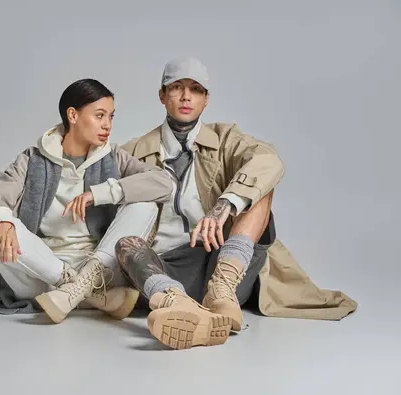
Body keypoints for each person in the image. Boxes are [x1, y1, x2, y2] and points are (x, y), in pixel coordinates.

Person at [115, 57, 358, 350]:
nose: (185, 96)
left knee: (260, 190)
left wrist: (225, 206)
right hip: (160, 269)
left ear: (206, 99)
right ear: (162, 95)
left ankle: (220, 293)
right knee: (126, 244)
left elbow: (268, 161)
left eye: (195, 89)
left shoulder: (227, 138)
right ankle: (178, 305)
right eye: (176, 87)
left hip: (223, 263)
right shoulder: (132, 152)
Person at [0, 78, 174, 324]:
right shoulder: (32, 160)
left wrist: (101, 193)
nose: (107, 125)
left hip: (101, 270)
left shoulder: (115, 157)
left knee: (145, 203)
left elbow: (165, 183)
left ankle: (84, 285)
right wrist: (3, 220)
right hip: (42, 273)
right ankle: (75, 287)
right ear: (73, 115)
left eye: (111, 117)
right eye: (100, 115)